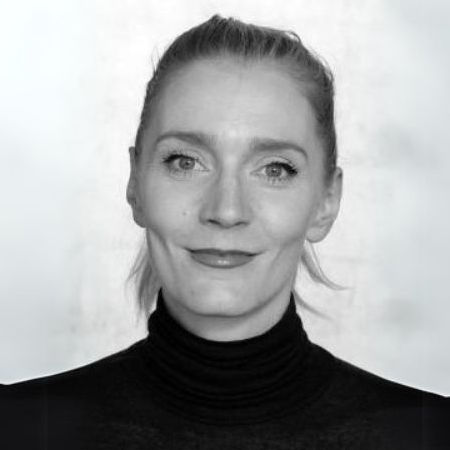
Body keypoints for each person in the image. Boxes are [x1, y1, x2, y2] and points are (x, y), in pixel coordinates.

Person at [1, 14, 448, 450]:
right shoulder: (17, 428)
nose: (226, 210)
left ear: (326, 202)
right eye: (185, 162)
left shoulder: (430, 434)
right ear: (135, 184)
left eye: (275, 169)